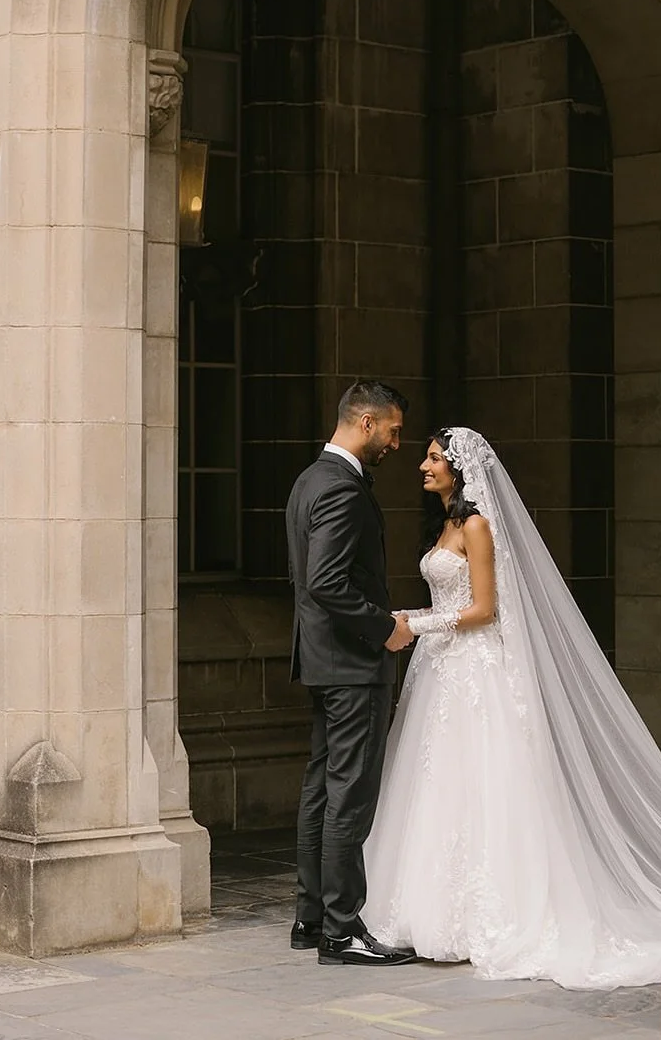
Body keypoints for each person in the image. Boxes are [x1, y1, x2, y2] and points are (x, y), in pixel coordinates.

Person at [363, 426, 661, 989]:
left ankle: (483, 917)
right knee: (437, 784)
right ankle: (430, 911)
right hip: (442, 668)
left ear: (459, 469)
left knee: (481, 784)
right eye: (426, 458)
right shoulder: (445, 524)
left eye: (435, 458)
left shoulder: (477, 525)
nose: (423, 466)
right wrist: (420, 619)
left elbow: (485, 609)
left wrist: (416, 623)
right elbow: (455, 597)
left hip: (472, 667)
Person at [285, 380, 418, 966]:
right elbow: (327, 582)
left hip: (321, 659)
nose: (396, 444)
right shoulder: (341, 489)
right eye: (392, 431)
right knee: (350, 795)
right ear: (365, 422)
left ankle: (310, 918)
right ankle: (341, 929)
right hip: (352, 664)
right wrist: (383, 628)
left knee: (321, 789)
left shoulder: (309, 480)